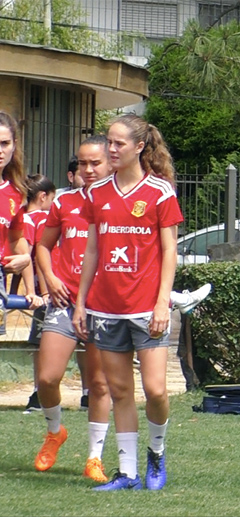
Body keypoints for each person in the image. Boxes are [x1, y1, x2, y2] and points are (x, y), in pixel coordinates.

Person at [72, 114, 184, 492]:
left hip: (146, 308)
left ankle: (157, 453)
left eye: (119, 143)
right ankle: (128, 472)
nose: (112, 149)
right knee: (120, 391)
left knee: (155, 390)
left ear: (139, 147)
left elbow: (170, 250)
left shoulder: (160, 192)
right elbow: (91, 251)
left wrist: (162, 302)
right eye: (110, 142)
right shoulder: (96, 192)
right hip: (105, 309)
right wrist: (81, 303)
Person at [33, 138, 113, 482]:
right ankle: (55, 431)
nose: (88, 170)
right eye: (82, 164)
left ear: (111, 163)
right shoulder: (64, 201)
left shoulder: (120, 203)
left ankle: (94, 457)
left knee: (98, 383)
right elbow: (42, 246)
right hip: (64, 302)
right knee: (48, 377)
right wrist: (50, 278)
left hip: (104, 304)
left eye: (95, 163)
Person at [0, 111, 43, 328]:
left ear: (14, 145)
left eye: (4, 143)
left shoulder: (15, 193)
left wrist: (25, 258)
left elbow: (17, 238)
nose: (0, 150)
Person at [21, 174, 56, 412]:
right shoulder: (41, 219)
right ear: (43, 197)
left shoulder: (20, 218)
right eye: (52, 199)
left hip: (41, 289)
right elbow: (41, 259)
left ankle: (38, 392)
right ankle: (42, 394)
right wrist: (42, 291)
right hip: (49, 291)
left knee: (39, 343)